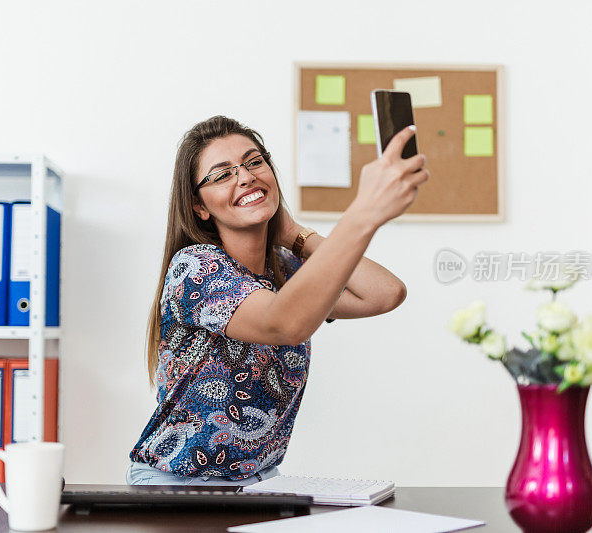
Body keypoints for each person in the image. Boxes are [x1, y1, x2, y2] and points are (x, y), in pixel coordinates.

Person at [128, 115, 428, 485]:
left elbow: (385, 293)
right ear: (199, 207)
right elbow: (284, 323)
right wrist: (364, 211)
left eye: (255, 162)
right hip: (179, 485)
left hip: (261, 480)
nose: (246, 176)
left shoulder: (285, 268)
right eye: (222, 174)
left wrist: (295, 235)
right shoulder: (195, 268)